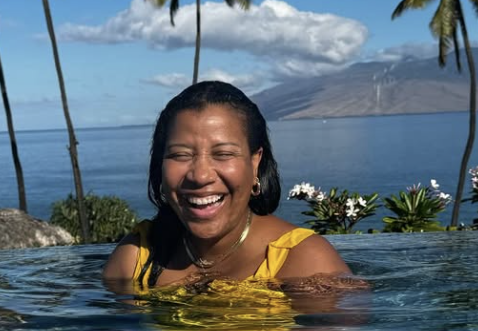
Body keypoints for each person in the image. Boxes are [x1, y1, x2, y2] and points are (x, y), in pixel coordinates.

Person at [103, 80, 352, 291]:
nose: (200, 176)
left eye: (223, 154)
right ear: (160, 164)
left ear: (255, 163)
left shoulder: (304, 263)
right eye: (180, 155)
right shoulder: (137, 259)